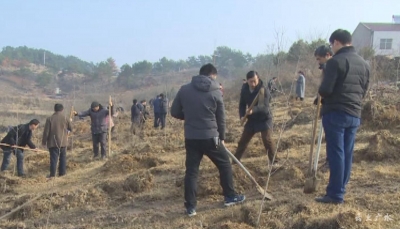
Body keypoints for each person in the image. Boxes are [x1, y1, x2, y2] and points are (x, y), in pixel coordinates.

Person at [171, 63, 245, 217]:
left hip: (191, 137)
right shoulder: (216, 91)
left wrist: (189, 116)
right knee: (224, 165)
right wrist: (222, 137)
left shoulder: (184, 90)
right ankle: (230, 196)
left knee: (191, 172)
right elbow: (221, 118)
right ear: (212, 75)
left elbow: (174, 111)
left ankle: (190, 207)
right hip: (211, 136)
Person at [315, 29, 370, 204]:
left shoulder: (334, 62)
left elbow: (325, 90)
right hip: (354, 112)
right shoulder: (364, 63)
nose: (332, 47)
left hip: (335, 113)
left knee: (336, 153)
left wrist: (320, 90)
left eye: (332, 44)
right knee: (347, 152)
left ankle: (335, 194)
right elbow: (364, 90)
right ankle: (341, 187)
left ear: (337, 42)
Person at [234, 71, 278, 165]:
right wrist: (242, 116)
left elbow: (264, 107)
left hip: (264, 118)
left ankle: (274, 162)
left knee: (267, 140)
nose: (253, 84)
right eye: (251, 82)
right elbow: (242, 104)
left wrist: (253, 110)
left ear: (258, 78)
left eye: (255, 81)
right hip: (252, 120)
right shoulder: (244, 89)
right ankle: (235, 162)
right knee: (243, 141)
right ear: (247, 81)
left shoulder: (263, 90)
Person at [313, 45, 333, 165]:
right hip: (328, 105)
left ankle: (330, 161)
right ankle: (329, 159)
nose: (318, 62)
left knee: (331, 137)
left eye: (319, 59)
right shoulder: (326, 68)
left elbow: (329, 87)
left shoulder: (331, 68)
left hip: (331, 107)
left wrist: (323, 97)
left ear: (327, 55)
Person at [42, 104, 72, 178]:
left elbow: (46, 132)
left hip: (53, 142)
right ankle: (62, 174)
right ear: (62, 109)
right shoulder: (66, 118)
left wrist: (44, 142)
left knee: (53, 159)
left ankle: (52, 174)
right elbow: (71, 128)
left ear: (54, 109)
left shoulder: (50, 119)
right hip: (63, 142)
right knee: (63, 158)